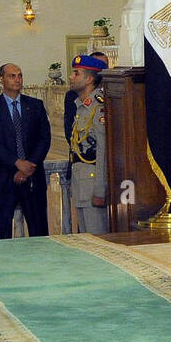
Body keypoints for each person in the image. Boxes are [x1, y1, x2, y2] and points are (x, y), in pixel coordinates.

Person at [0, 63, 51, 239]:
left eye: (19, 75)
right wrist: (17, 163)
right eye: (12, 76)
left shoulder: (35, 106)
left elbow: (44, 139)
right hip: (3, 178)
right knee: (0, 232)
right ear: (1, 79)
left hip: (32, 178)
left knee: (39, 231)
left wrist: (28, 166)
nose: (17, 79)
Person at [67, 53, 109, 234]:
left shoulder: (99, 108)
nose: (71, 77)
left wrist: (100, 190)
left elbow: (103, 152)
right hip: (82, 186)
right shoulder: (82, 106)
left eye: (76, 73)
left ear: (89, 79)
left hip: (93, 187)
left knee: (98, 240)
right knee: (87, 241)